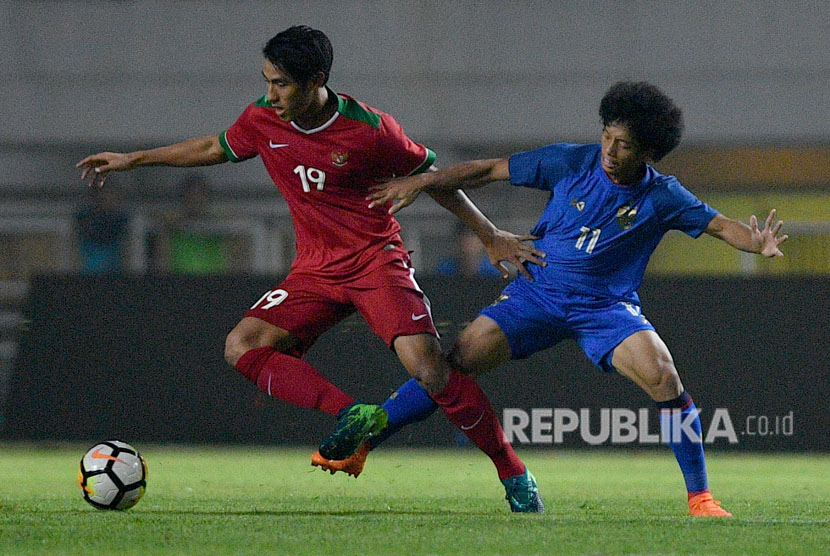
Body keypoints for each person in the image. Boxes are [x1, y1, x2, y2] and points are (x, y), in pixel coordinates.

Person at [76, 25, 546, 512]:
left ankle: (514, 475)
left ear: (316, 79)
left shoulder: (371, 130)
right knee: (242, 346)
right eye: (267, 81)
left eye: (281, 84)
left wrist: (488, 233)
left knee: (430, 370)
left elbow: (435, 180)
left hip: (374, 261)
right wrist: (133, 159)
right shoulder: (263, 118)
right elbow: (213, 148)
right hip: (314, 271)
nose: (270, 94)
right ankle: (352, 414)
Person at [320, 81, 789, 517]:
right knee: (449, 367)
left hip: (605, 309)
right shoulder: (570, 161)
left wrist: (757, 242)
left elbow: (723, 226)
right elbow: (485, 170)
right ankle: (366, 442)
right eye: (607, 136)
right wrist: (421, 181)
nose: (610, 149)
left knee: (663, 375)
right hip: (536, 294)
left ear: (648, 151)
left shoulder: (664, 195)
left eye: (624, 144)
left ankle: (701, 496)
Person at [74, 183, 129, 274]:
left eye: (110, 194)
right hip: (89, 270)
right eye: (104, 194)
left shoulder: (119, 219)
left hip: (114, 271)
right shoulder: (85, 218)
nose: (107, 198)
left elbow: (126, 249)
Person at [434, 221, 503, 277]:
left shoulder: (493, 273)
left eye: (472, 241)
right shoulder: (444, 270)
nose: (468, 245)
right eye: (464, 240)